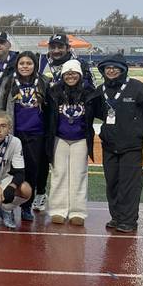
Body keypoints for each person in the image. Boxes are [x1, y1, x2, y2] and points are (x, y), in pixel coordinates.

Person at [95, 54, 143, 233]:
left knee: (129, 185)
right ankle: (116, 216)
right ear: (103, 70)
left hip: (132, 146)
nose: (111, 70)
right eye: (108, 67)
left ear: (123, 69)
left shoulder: (137, 87)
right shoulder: (100, 90)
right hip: (109, 145)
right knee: (112, 183)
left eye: (115, 67)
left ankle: (129, 220)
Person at [0, 51, 50, 221]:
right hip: (14, 133)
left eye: (29, 63)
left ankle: (27, 206)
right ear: (17, 65)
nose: (25, 66)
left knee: (32, 172)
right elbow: (0, 105)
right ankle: (8, 207)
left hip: (37, 133)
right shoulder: (9, 81)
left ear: (34, 65)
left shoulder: (43, 81)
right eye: (22, 63)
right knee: (12, 171)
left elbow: (50, 108)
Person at [45, 60, 99, 226]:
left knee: (79, 174)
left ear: (80, 74)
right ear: (62, 75)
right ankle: (57, 210)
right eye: (67, 73)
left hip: (81, 138)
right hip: (59, 137)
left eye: (74, 73)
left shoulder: (90, 92)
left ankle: (78, 211)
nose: (70, 76)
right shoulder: (54, 91)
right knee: (58, 173)